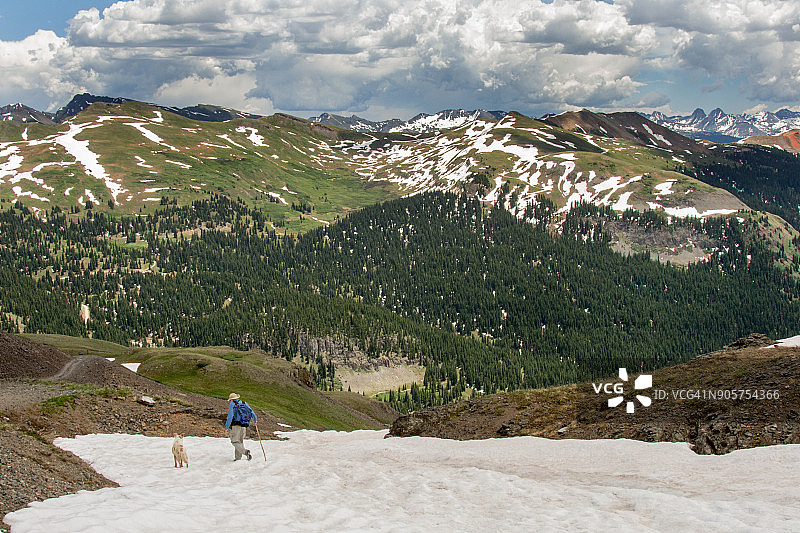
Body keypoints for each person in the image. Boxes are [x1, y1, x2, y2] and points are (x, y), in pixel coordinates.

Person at [225, 392, 257, 461]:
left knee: (234, 441)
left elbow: (230, 416)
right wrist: (255, 420)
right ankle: (238, 458)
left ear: (232, 399)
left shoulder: (232, 404)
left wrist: (227, 427)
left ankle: (245, 452)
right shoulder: (244, 403)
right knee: (240, 441)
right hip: (244, 425)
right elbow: (251, 412)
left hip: (236, 425)